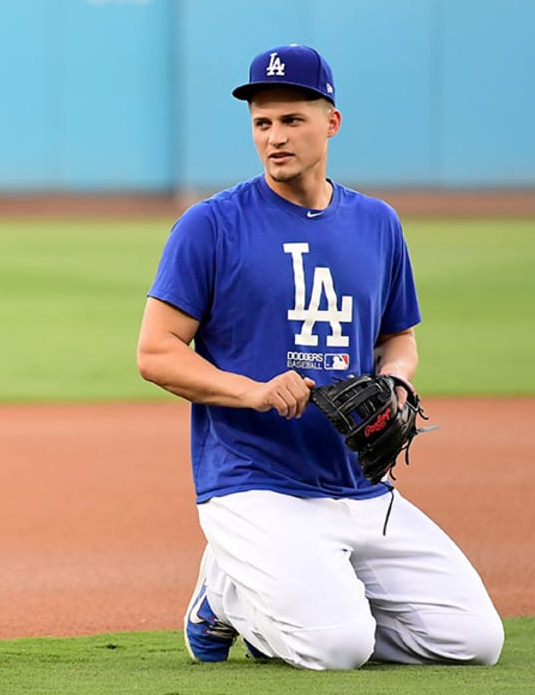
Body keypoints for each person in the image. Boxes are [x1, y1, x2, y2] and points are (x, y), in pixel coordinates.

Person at [135, 43, 503, 670]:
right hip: (255, 482)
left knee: (474, 642)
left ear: (331, 121)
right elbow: (155, 352)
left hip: (361, 483)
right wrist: (251, 390)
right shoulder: (211, 224)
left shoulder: (378, 223)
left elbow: (399, 338)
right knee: (336, 647)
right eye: (262, 123)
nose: (274, 136)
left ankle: (282, 593)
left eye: (291, 120)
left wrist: (396, 382)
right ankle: (226, 597)